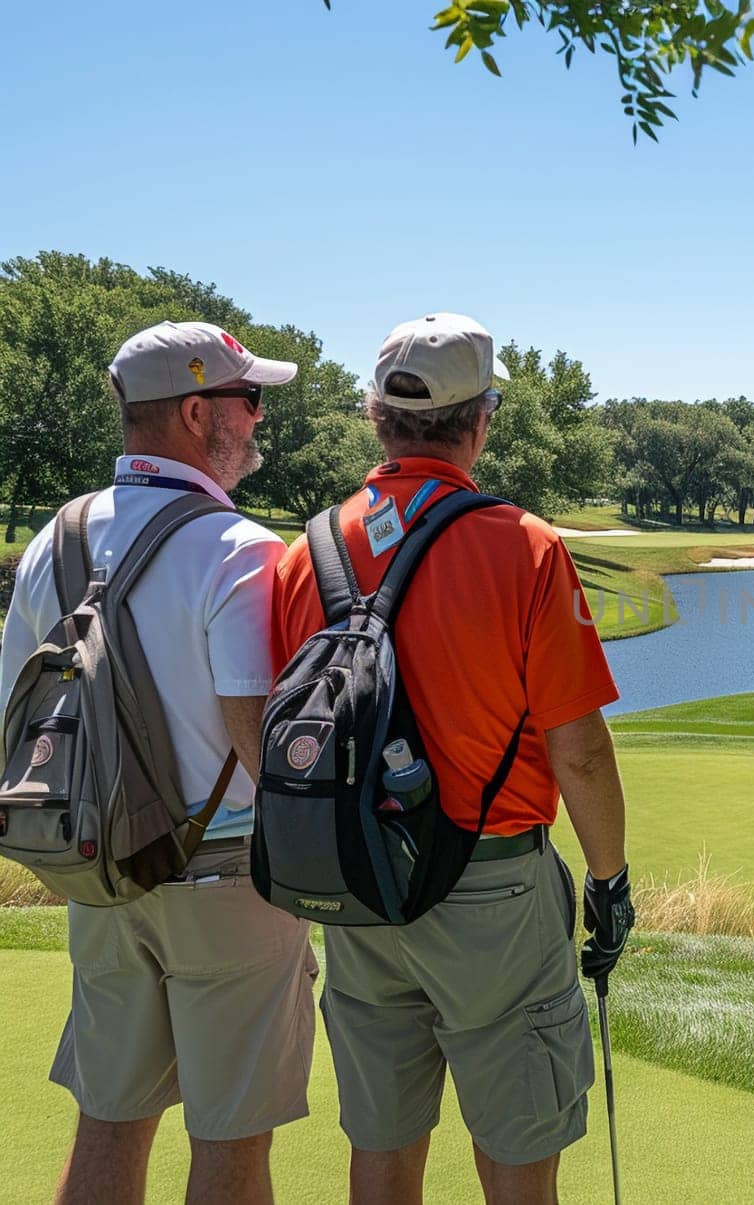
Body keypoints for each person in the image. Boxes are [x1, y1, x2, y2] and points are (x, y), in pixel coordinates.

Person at [269, 312, 633, 1205]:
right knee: (518, 1164)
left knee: (384, 1154)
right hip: (495, 897)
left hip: (357, 891)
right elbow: (578, 752)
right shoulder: (526, 547)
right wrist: (609, 882)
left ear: (375, 416)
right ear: (482, 420)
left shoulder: (300, 556)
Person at [0, 321, 318, 1205]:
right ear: (194, 412)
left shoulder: (54, 541)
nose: (258, 419)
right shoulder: (239, 548)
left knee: (107, 1123)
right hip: (226, 888)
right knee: (231, 1146)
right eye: (248, 399)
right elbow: (257, 740)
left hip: (100, 878)